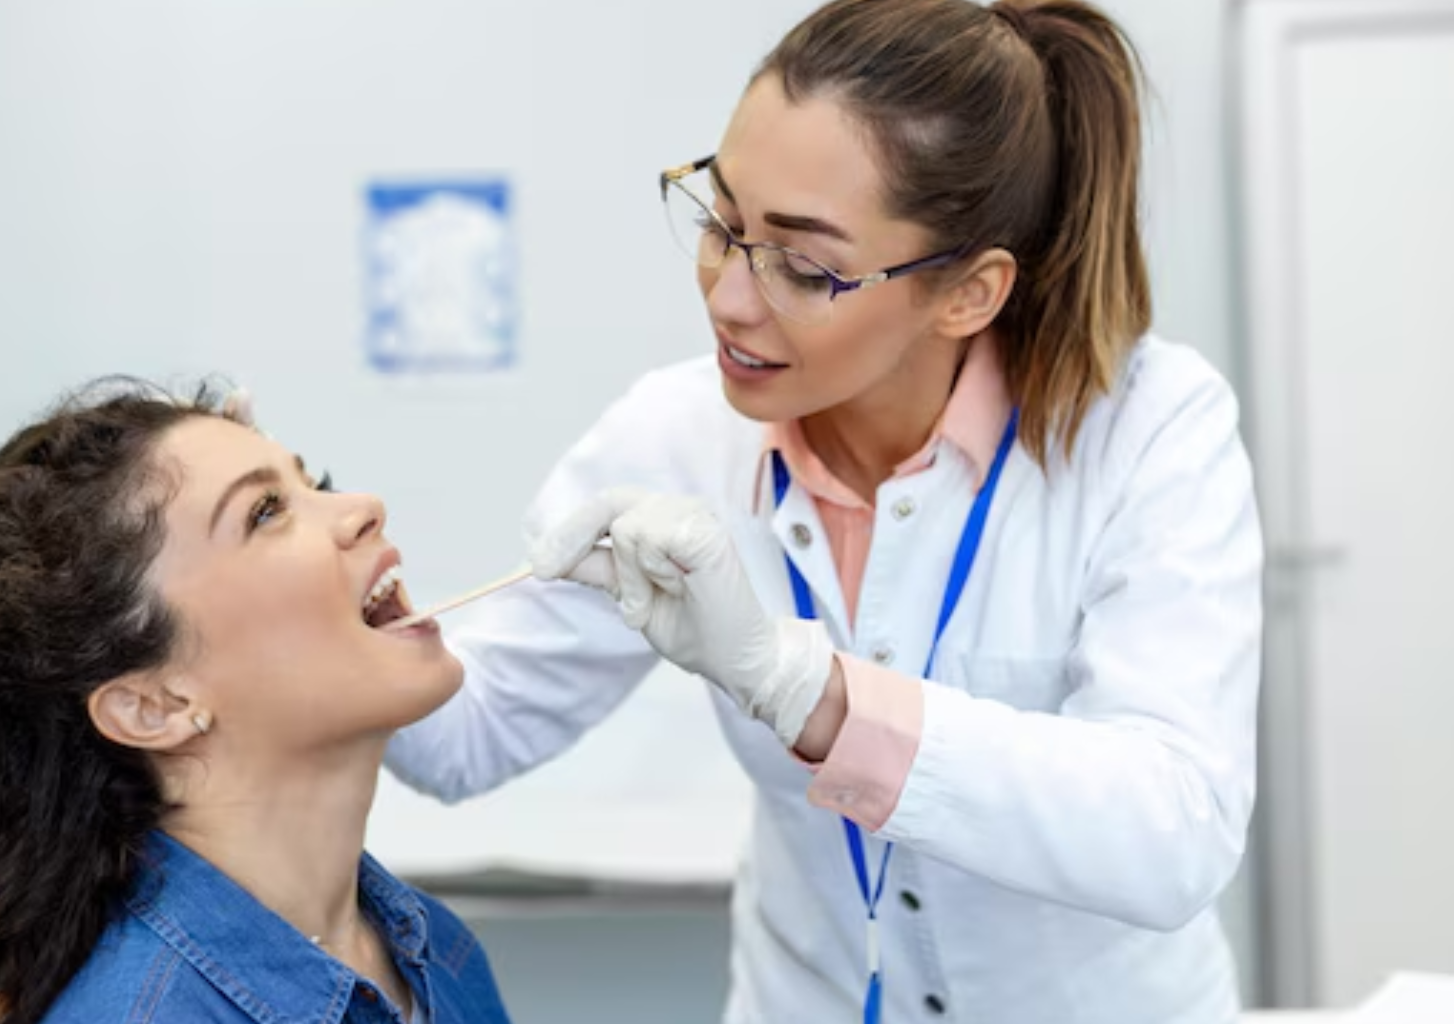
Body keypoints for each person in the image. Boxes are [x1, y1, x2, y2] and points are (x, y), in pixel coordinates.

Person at [377, 2, 1264, 1022]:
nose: (728, 298)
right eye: (720, 224)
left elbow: (1174, 832)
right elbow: (465, 739)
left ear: (969, 294)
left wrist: (810, 694)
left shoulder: (1147, 429)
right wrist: (325, 593)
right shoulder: (674, 438)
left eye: (804, 268)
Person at [0, 383, 514, 1024]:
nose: (363, 507)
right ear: (154, 705)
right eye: (265, 511)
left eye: (313, 483)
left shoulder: (441, 956)